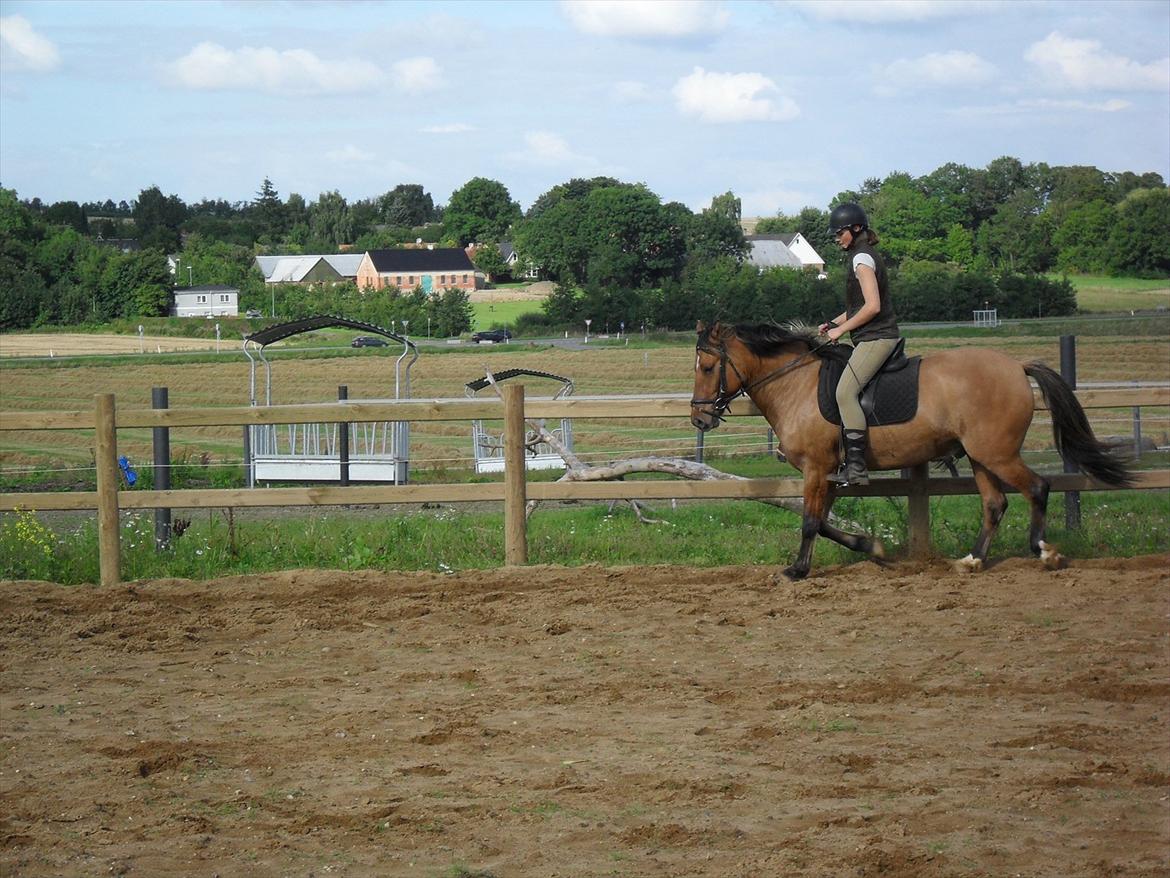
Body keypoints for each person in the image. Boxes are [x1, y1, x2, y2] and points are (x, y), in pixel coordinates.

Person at [817, 202, 901, 486]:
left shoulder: (861, 259)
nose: (837, 238)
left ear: (855, 229)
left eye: (840, 232)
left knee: (844, 393)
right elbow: (858, 307)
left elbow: (873, 307)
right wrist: (832, 322)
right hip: (871, 336)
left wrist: (840, 331)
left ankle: (856, 467)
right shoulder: (862, 255)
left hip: (877, 337)